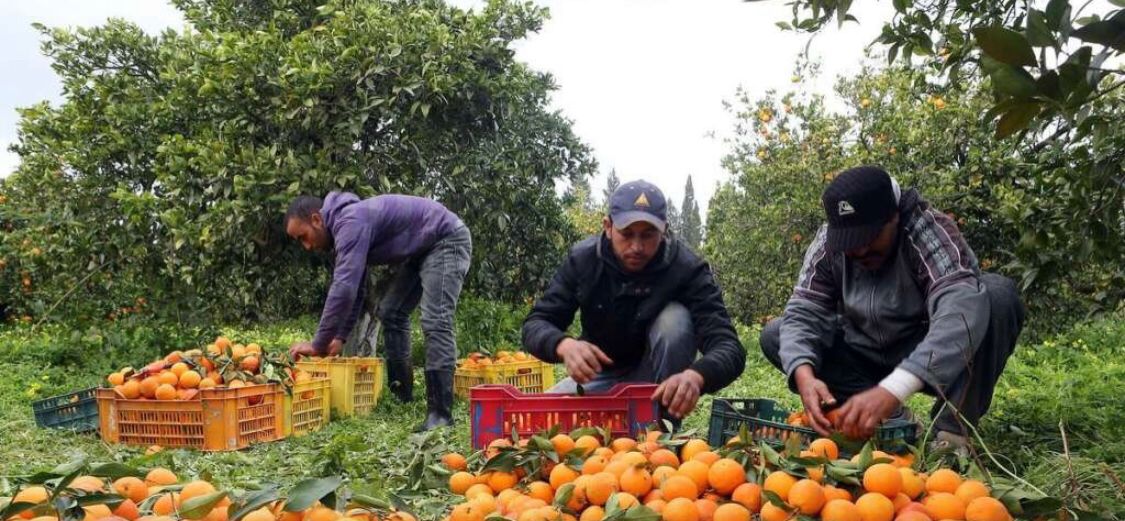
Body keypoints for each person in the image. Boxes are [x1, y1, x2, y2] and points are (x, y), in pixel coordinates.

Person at [759, 166, 1025, 453]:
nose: (859, 252)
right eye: (851, 244)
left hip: (926, 351)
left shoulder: (925, 229)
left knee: (997, 297)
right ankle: (889, 420)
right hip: (860, 350)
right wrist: (804, 374)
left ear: (894, 217)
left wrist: (896, 387)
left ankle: (952, 431)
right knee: (778, 333)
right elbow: (804, 311)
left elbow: (958, 305)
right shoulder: (828, 244)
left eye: (869, 239)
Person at [522, 180, 745, 425]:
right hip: (601, 375)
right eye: (627, 234)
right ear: (608, 227)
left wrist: (696, 376)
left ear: (664, 231)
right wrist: (563, 345)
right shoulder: (584, 260)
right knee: (540, 424)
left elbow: (728, 346)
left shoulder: (687, 269)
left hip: (657, 383)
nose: (637, 247)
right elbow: (537, 323)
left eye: (648, 235)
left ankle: (661, 427)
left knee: (675, 320)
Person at [285, 191, 472, 431]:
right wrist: (339, 337)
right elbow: (356, 289)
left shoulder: (349, 222)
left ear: (316, 220)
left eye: (304, 237)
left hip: (446, 239)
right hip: (423, 249)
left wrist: (318, 344)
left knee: (436, 319)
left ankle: (440, 414)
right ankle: (401, 395)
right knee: (391, 312)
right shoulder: (347, 227)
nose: (307, 246)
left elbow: (343, 289)